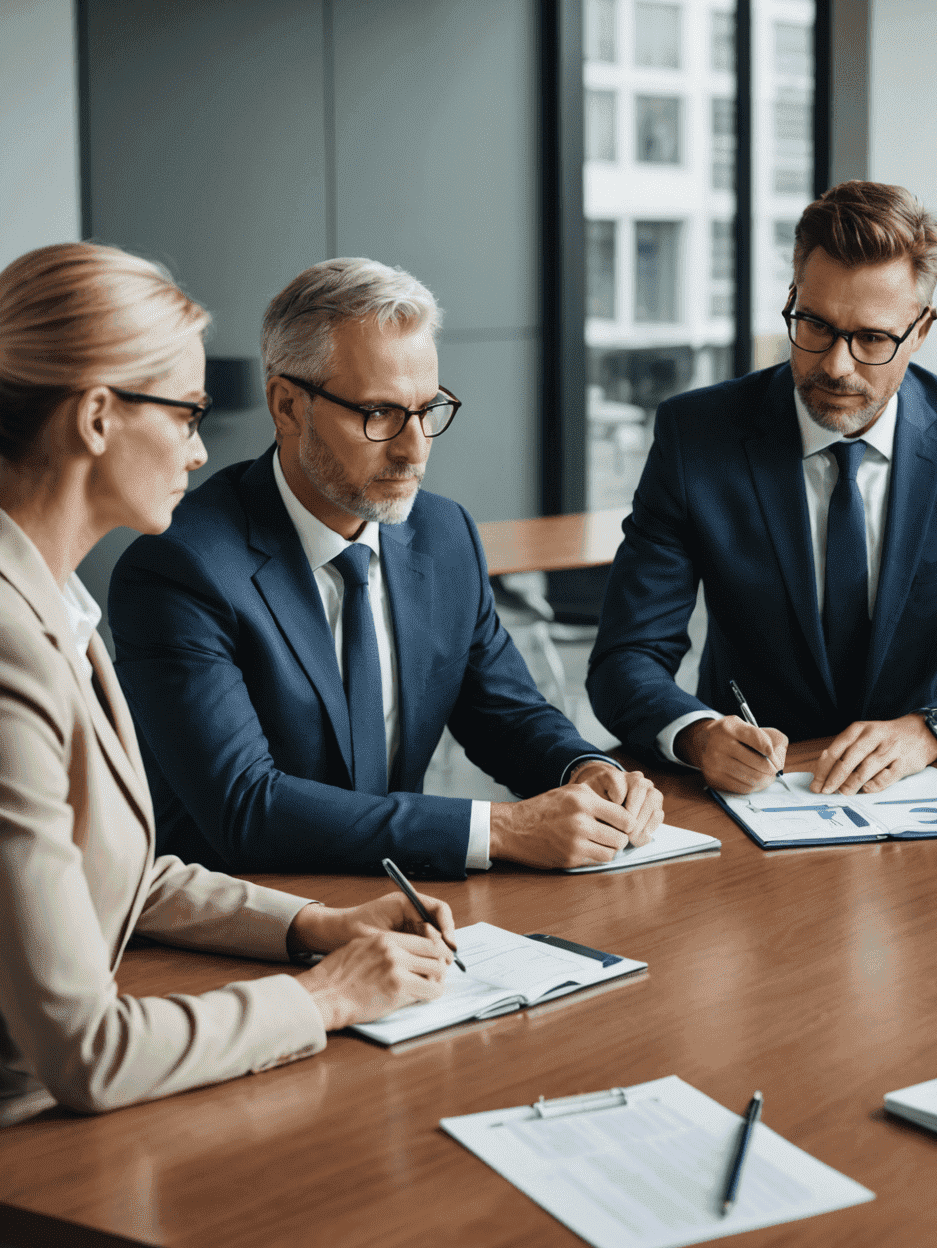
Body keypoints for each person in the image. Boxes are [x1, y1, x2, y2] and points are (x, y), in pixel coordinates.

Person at [0, 242, 455, 1248]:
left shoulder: (55, 595)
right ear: (99, 417)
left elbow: (126, 868)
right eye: (190, 412)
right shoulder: (9, 633)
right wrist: (331, 999)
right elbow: (88, 1054)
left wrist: (315, 924)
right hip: (36, 1212)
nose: (205, 448)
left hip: (67, 1155)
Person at [109, 258, 663, 878]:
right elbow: (247, 808)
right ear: (287, 405)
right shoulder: (180, 569)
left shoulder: (444, 534)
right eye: (379, 414)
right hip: (241, 923)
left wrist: (585, 770)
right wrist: (500, 828)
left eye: (427, 410)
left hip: (409, 902)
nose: (414, 449)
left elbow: (506, 715)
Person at [587, 181, 937, 795]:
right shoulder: (698, 437)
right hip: (754, 797)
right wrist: (696, 732)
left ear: (921, 330)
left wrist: (931, 730)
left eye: (873, 339)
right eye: (815, 325)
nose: (836, 366)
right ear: (793, 298)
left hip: (928, 790)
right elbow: (624, 659)